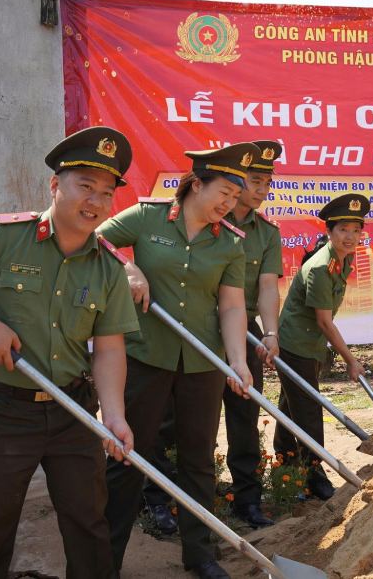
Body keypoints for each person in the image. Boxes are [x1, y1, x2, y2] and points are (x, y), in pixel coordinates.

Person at [0, 126, 139, 579]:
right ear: (55, 185)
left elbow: (110, 348)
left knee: (89, 527)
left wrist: (113, 416)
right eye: (84, 186)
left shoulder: (111, 267)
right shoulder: (2, 236)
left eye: (106, 193)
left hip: (74, 410)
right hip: (5, 412)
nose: (94, 201)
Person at [100, 143, 258, 579]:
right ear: (195, 184)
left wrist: (238, 362)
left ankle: (199, 553)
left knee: (199, 459)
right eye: (222, 193)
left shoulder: (229, 242)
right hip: (145, 357)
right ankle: (105, 558)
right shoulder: (147, 218)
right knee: (127, 454)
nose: (228, 205)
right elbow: (96, 240)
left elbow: (231, 307)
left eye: (234, 198)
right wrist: (128, 269)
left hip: (202, 364)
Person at [274, 193, 368, 501]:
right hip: (295, 344)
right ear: (330, 231)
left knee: (292, 404)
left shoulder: (344, 259)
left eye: (356, 230)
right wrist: (351, 360)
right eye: (343, 230)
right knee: (309, 410)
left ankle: (285, 465)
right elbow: (325, 323)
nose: (350, 237)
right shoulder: (320, 267)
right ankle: (314, 473)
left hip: (309, 343)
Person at [223, 139, 283, 527]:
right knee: (181, 417)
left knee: (245, 413)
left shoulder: (266, 232)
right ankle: (166, 498)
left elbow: (266, 286)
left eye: (267, 182)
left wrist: (271, 334)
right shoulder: (212, 216)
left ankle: (247, 499)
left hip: (245, 328)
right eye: (255, 181)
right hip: (198, 324)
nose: (262, 190)